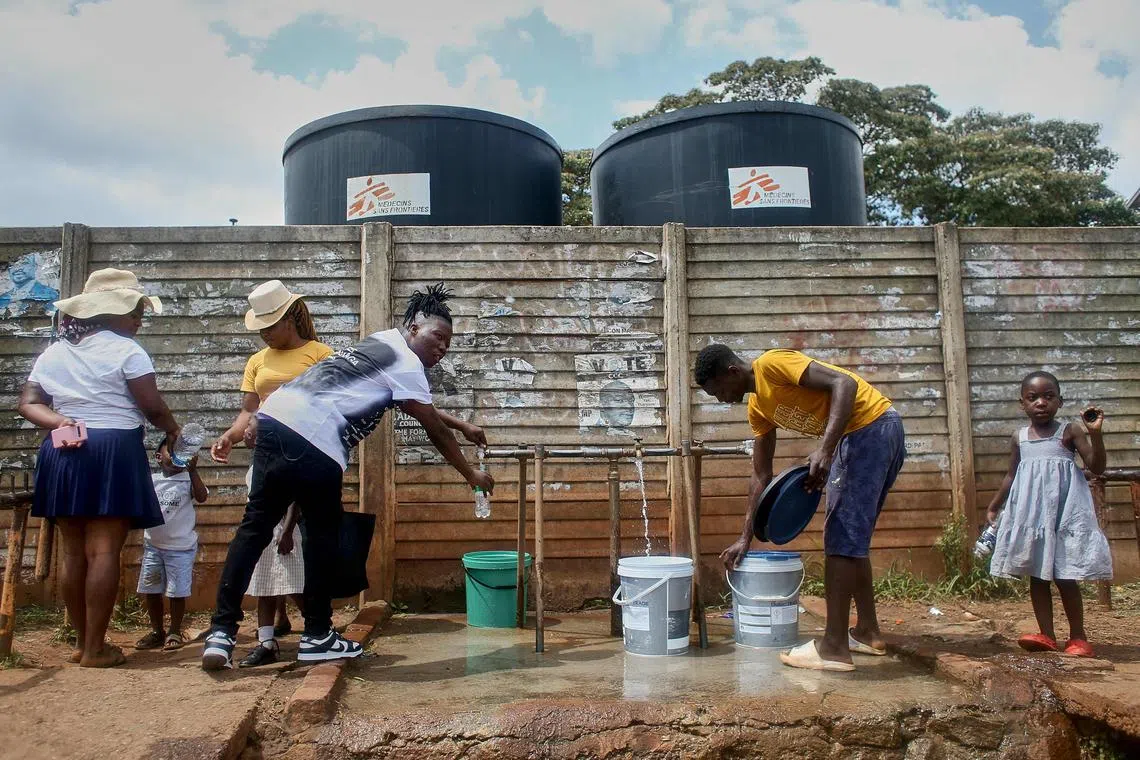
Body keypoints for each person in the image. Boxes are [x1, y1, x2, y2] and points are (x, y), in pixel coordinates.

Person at [202, 283, 493, 670]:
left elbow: (408, 401)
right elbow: (431, 427)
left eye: (448, 343)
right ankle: (317, 636)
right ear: (412, 327)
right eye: (437, 337)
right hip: (316, 440)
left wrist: (463, 426)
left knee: (253, 530)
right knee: (323, 538)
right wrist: (471, 474)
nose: (442, 348)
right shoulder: (406, 361)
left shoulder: (380, 343)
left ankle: (221, 633)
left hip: (273, 423)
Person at [694, 345, 905, 672]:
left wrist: (825, 448)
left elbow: (844, 384)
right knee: (852, 540)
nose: (720, 399)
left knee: (840, 539)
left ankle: (834, 647)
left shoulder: (772, 365)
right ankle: (866, 631)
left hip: (867, 430)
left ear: (733, 372)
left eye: (719, 390)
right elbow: (761, 474)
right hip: (875, 431)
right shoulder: (758, 409)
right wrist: (744, 537)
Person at [17, 268, 179, 668]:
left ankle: (80, 643)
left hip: (63, 448)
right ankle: (95, 648)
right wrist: (173, 430)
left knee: (73, 553)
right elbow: (152, 406)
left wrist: (59, 422)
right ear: (112, 313)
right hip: (113, 448)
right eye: (135, 310)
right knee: (105, 548)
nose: (140, 319)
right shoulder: (127, 350)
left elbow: (29, 402)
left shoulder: (56, 351)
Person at [210, 280, 334, 667]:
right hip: (268, 457)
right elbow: (249, 411)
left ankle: (316, 631)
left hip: (311, 455)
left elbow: (333, 409)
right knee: (255, 535)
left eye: (270, 324)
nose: (264, 332)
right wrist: (230, 436)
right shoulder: (257, 361)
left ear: (290, 318)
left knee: (315, 541)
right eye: (259, 326)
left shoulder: (322, 355)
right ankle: (224, 631)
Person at [986, 371, 1112, 657]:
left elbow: (1096, 467)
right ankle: (1046, 634)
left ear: (1060, 401)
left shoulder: (1069, 432)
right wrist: (995, 505)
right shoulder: (1019, 437)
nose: (1041, 403)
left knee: (1065, 575)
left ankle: (1078, 637)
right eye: (1033, 398)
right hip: (1033, 518)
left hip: (1064, 514)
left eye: (1048, 396)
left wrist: (1095, 434)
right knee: (1038, 575)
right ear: (1023, 404)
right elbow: (1011, 475)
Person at [135, 444, 208, 651]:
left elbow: (202, 497)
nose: (177, 456)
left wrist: (193, 471)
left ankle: (174, 630)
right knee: (152, 589)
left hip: (181, 547)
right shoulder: (151, 481)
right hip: (153, 545)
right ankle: (157, 631)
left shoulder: (187, 480)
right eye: (171, 451)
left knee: (177, 592)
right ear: (159, 457)